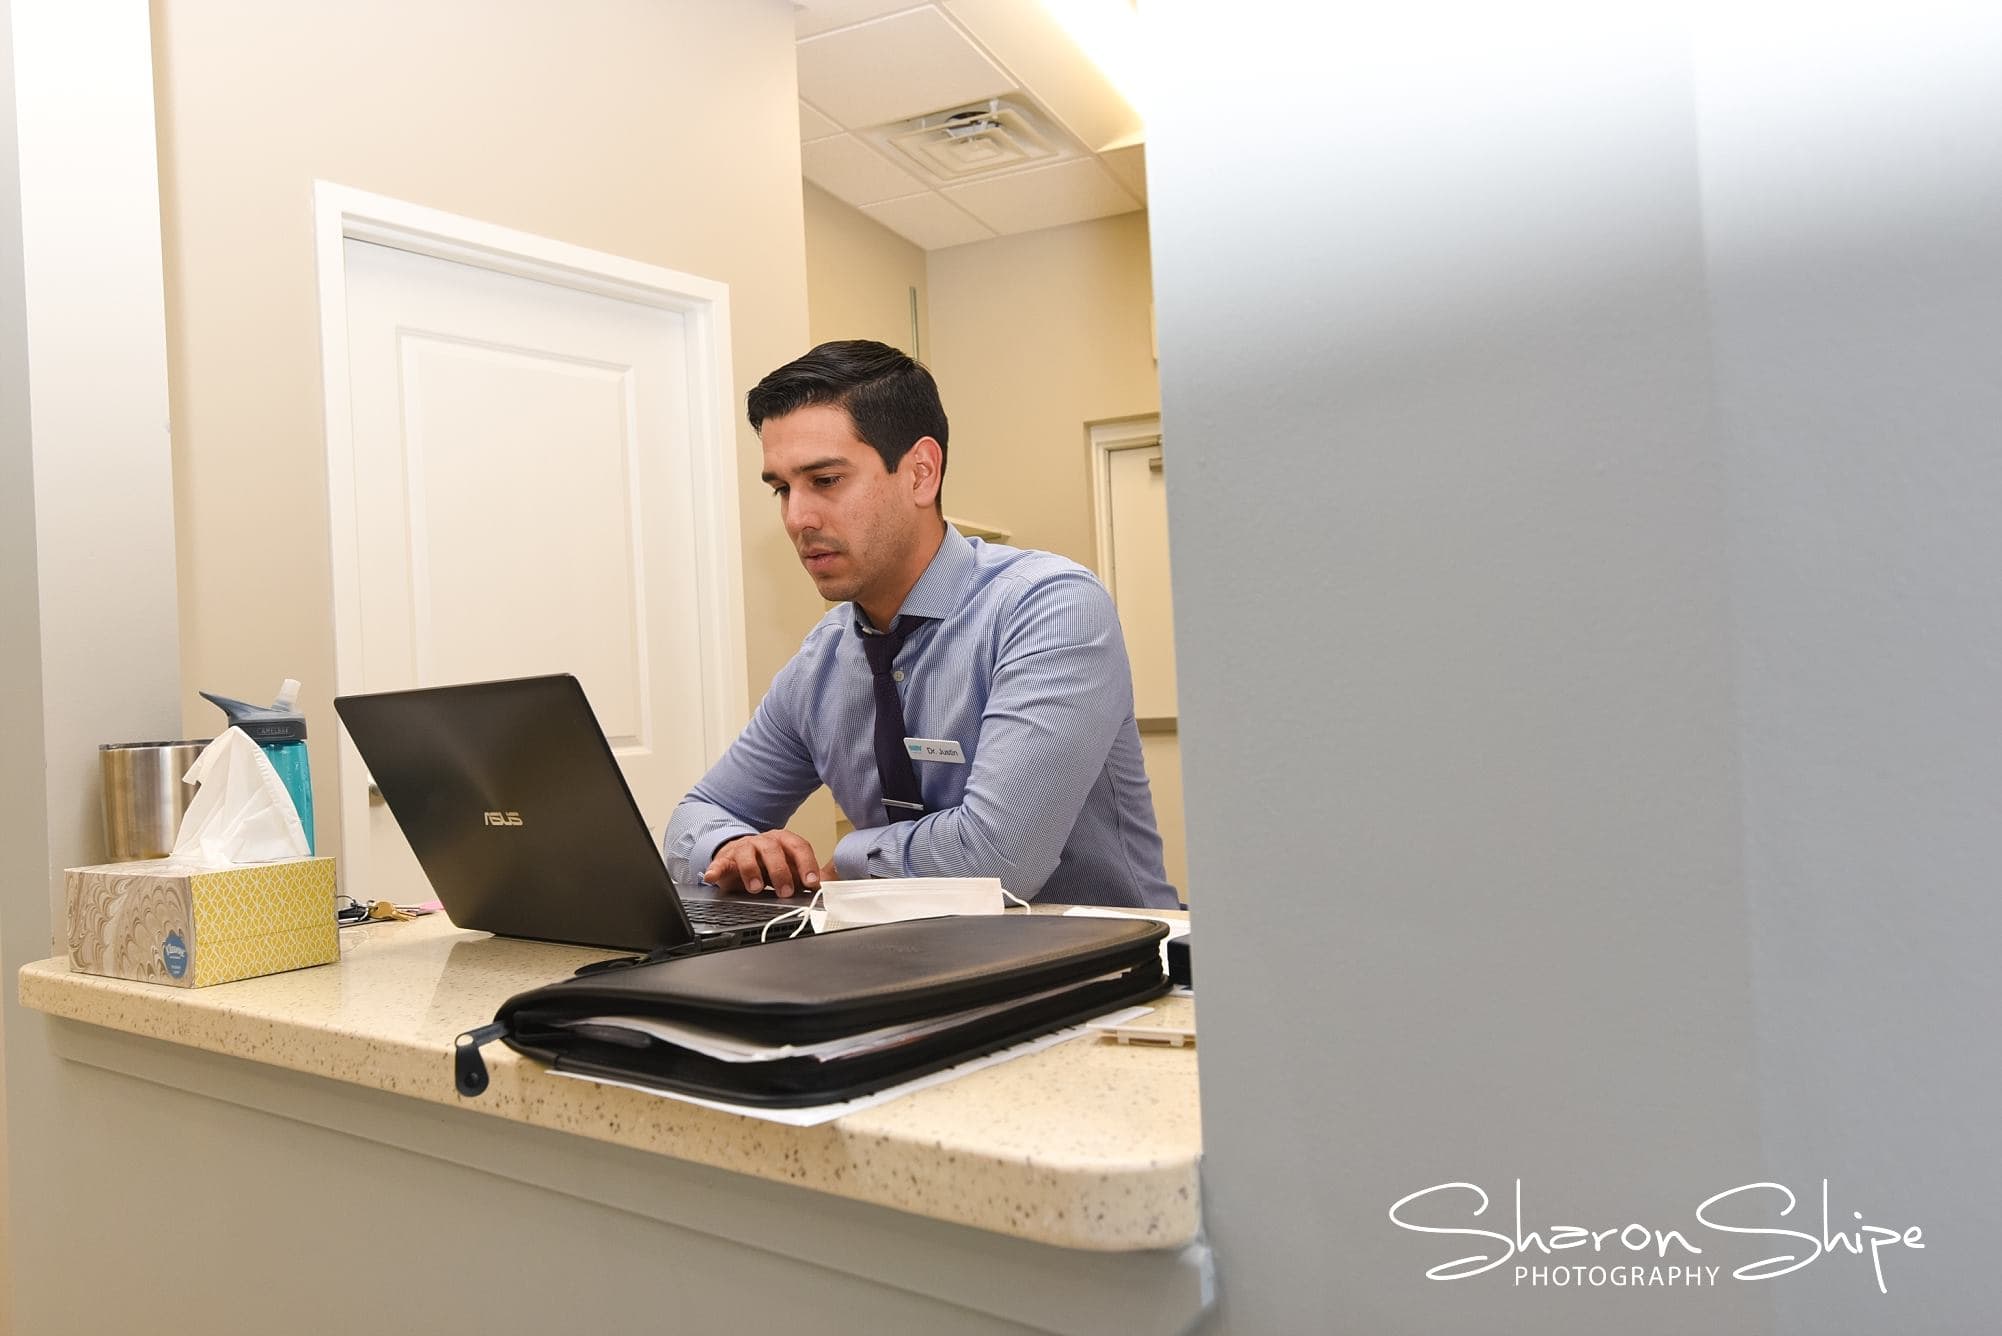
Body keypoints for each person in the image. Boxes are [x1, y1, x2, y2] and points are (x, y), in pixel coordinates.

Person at [662, 340, 1178, 910]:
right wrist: (734, 847)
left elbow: (997, 860)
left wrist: (847, 861)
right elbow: (698, 815)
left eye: (825, 480)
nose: (797, 518)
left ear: (920, 473)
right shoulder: (822, 662)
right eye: (782, 489)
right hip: (906, 953)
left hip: (1107, 953)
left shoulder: (1048, 606)